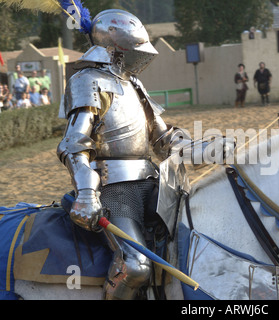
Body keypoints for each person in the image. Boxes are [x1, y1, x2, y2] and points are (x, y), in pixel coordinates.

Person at [57, 9, 233, 300]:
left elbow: (163, 139)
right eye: (133, 51)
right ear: (114, 50)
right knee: (135, 266)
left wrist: (207, 148)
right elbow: (74, 143)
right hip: (113, 187)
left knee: (199, 237)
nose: (140, 58)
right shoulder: (87, 80)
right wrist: (87, 191)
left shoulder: (133, 83)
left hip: (154, 184)